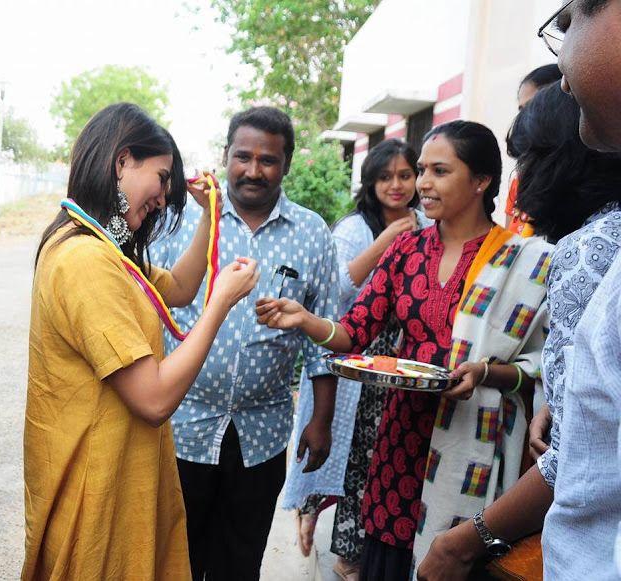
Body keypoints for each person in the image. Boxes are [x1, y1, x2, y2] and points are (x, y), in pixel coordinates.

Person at [257, 120, 552, 581]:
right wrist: (304, 319)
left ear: (480, 181)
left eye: (439, 171)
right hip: (398, 441)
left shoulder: (525, 261)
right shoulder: (406, 251)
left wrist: (486, 373)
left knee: (451, 560)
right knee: (388, 564)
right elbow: (354, 332)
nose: (423, 184)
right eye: (422, 170)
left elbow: (539, 367)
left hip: (470, 442)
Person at [23, 103, 259, 580]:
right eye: (162, 176)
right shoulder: (86, 261)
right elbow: (153, 399)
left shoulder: (103, 245)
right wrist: (221, 305)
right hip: (96, 492)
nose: (164, 195)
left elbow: (179, 288)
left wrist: (208, 215)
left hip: (117, 477)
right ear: (122, 162)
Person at [416, 72, 621, 581]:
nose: (520, 180)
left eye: (526, 160)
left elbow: (578, 454)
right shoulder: (409, 246)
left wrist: (465, 543)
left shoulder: (589, 250)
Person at [150, 106, 339, 581]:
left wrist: (321, 420)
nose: (254, 170)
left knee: (239, 562)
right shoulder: (179, 222)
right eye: (243, 157)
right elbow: (148, 309)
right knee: (175, 560)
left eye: (268, 160)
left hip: (262, 435)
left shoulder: (312, 233)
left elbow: (324, 338)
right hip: (183, 426)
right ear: (226, 156)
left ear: (286, 165)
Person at [286, 139, 432, 580]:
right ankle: (341, 547)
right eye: (386, 176)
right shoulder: (354, 228)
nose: (396, 185)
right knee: (349, 457)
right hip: (354, 358)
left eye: (405, 175)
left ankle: (358, 549)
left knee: (376, 459)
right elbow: (339, 288)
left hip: (399, 365)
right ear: (370, 182)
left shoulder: (427, 224)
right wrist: (387, 240)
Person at [505, 63, 562, 235]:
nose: (523, 121)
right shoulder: (520, 180)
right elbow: (510, 242)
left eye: (533, 108)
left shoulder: (577, 179)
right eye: (521, 110)